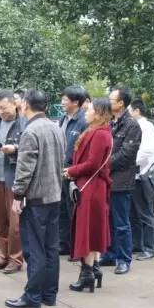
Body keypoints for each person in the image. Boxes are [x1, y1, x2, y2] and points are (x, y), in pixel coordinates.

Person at [5, 89, 66, 308]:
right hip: (54, 195)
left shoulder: (31, 131)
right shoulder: (56, 128)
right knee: (51, 247)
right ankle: (49, 294)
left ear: (26, 105)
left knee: (34, 248)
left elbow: (25, 169)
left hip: (37, 198)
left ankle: (32, 296)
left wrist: (18, 195)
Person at [64, 98, 113, 293]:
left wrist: (71, 171)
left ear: (99, 112)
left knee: (88, 230)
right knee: (92, 229)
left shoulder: (100, 134)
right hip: (90, 186)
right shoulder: (95, 131)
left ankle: (87, 275)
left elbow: (93, 164)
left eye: (89, 109)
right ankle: (93, 269)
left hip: (92, 187)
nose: (86, 111)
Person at [98, 86, 142, 276]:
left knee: (121, 223)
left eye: (111, 99)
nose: (108, 102)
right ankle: (109, 254)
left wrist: (102, 163)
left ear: (121, 103)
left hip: (121, 181)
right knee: (107, 220)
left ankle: (123, 259)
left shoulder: (131, 126)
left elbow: (126, 155)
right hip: (106, 179)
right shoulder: (110, 122)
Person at [0, 90, 24, 274]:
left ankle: (16, 258)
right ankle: (3, 254)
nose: (1, 112)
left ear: (14, 104)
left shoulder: (23, 123)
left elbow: (29, 148)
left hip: (14, 178)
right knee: (0, 221)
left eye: (4, 108)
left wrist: (15, 149)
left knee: (15, 223)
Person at [58, 85, 89, 257]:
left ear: (76, 102)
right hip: (61, 171)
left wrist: (74, 169)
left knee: (74, 211)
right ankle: (64, 244)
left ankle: (77, 248)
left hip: (74, 173)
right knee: (62, 209)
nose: (62, 102)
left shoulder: (83, 121)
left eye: (65, 99)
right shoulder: (62, 119)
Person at [130, 99, 154, 261]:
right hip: (136, 175)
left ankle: (149, 248)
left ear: (137, 111)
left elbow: (146, 152)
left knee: (145, 213)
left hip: (143, 175)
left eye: (130, 110)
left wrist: (130, 163)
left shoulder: (146, 127)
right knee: (135, 213)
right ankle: (138, 245)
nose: (128, 113)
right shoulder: (141, 126)